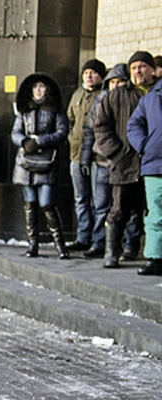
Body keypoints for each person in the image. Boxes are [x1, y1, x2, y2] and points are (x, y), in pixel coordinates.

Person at [93, 51, 157, 268]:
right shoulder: (117, 95)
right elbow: (100, 126)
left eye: (142, 66)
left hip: (154, 163)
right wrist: (115, 152)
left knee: (150, 209)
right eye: (134, 68)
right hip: (125, 162)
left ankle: (138, 249)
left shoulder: (158, 93)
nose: (138, 71)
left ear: (152, 69)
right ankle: (112, 252)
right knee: (119, 209)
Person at [12, 73, 70, 258]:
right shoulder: (24, 110)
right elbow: (15, 132)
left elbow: (62, 132)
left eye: (42, 87)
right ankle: (32, 245)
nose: (38, 90)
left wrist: (41, 141)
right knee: (29, 204)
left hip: (47, 162)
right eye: (35, 87)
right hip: (26, 164)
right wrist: (24, 141)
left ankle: (60, 245)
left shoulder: (56, 109)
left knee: (47, 203)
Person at [81, 63, 127, 258]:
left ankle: (122, 246)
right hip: (100, 161)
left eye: (120, 81)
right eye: (113, 82)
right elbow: (89, 131)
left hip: (123, 163)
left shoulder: (132, 100)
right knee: (100, 205)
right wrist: (85, 158)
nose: (116, 86)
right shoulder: (100, 101)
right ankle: (99, 242)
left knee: (122, 208)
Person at [66, 59, 107, 252]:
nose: (89, 76)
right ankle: (83, 237)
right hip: (76, 155)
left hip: (98, 157)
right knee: (80, 198)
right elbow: (70, 119)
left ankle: (98, 241)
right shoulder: (77, 94)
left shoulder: (105, 95)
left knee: (99, 202)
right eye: (86, 73)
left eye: (93, 72)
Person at [126, 66, 162, 275]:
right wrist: (144, 145)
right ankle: (155, 258)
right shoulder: (150, 99)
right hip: (155, 163)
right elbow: (133, 125)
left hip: (153, 162)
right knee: (156, 213)